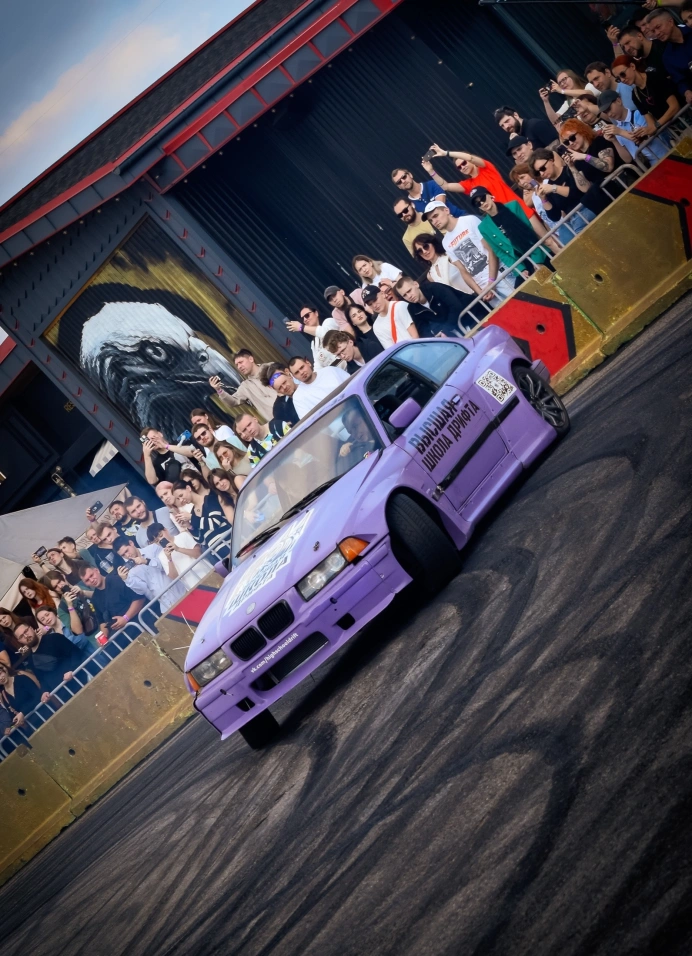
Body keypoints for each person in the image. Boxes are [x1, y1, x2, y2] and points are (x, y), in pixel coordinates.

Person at [422, 145, 547, 241]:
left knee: (547, 240)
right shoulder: (469, 184)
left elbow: (471, 157)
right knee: (533, 247)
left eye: (464, 163)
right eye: (459, 167)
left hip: (520, 208)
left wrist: (446, 153)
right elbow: (446, 186)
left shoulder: (486, 168)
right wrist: (431, 171)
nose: (463, 167)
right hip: (506, 218)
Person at [422, 201, 514, 299]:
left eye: (436, 216)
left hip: (501, 276)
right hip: (484, 288)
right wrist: (480, 293)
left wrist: (491, 281)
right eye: (431, 220)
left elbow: (491, 249)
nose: (434, 221)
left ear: (446, 210)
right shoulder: (445, 242)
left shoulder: (469, 220)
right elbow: (463, 271)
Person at [468, 187, 552, 288]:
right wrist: (520, 269)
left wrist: (537, 261)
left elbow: (530, 233)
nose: (482, 203)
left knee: (553, 282)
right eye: (478, 203)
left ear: (490, 195)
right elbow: (500, 252)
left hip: (537, 253)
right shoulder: (483, 227)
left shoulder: (513, 206)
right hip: (521, 263)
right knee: (523, 293)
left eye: (483, 198)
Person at [528, 148, 606, 228]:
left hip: (591, 208)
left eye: (542, 168)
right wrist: (543, 199)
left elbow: (579, 192)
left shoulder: (569, 169)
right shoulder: (548, 187)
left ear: (551, 160)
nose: (541, 173)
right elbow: (555, 217)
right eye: (538, 172)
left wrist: (554, 188)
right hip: (575, 221)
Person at [14, 620, 88, 698]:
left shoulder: (54, 638)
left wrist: (72, 670)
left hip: (81, 680)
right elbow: (42, 680)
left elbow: (75, 653)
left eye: (26, 631)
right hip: (65, 695)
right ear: (19, 641)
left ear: (31, 628)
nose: (26, 636)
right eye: (21, 636)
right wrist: (45, 691)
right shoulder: (30, 660)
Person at [114, 537, 186, 615]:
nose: (127, 555)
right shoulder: (130, 571)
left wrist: (146, 561)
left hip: (181, 592)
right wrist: (127, 580)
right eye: (123, 555)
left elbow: (166, 565)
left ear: (131, 543)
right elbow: (142, 590)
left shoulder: (152, 549)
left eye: (126, 551)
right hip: (166, 605)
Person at [598, 89, 669, 164]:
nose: (609, 114)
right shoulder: (617, 130)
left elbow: (644, 139)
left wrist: (620, 132)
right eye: (605, 112)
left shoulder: (639, 114)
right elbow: (628, 159)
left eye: (609, 109)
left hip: (666, 156)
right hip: (650, 166)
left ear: (618, 101)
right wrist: (614, 140)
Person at [78, 562, 145, 640]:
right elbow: (102, 622)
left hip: (140, 622)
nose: (92, 580)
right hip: (124, 635)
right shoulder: (95, 598)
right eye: (87, 580)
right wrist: (103, 637)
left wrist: (125, 618)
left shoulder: (116, 580)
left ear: (97, 570)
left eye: (91, 575)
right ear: (85, 584)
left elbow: (139, 599)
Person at [611, 55, 680, 129]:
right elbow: (650, 123)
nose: (622, 80)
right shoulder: (635, 95)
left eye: (622, 74)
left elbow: (675, 106)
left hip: (684, 119)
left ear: (632, 66)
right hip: (673, 130)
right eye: (618, 79)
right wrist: (642, 132)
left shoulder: (654, 77)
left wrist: (656, 125)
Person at [209, 348, 277, 423]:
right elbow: (233, 402)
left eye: (241, 362)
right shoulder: (246, 386)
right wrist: (219, 390)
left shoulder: (271, 367)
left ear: (251, 359)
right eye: (237, 365)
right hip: (277, 420)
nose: (239, 367)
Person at [395, 275, 479, 335]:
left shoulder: (434, 288)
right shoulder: (412, 308)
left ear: (416, 284)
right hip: (459, 328)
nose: (409, 296)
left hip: (475, 314)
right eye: (404, 295)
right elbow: (423, 331)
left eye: (409, 291)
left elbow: (455, 307)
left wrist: (445, 331)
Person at [411, 233, 486, 298]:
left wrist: (480, 292)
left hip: (475, 296)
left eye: (426, 246)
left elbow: (470, 273)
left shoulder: (449, 256)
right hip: (461, 306)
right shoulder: (430, 275)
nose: (424, 251)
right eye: (420, 251)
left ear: (433, 243)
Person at [172, 472, 232, 552]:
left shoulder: (210, 499)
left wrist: (191, 518)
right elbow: (202, 540)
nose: (181, 500)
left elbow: (215, 523)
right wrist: (189, 526)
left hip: (231, 545)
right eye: (178, 499)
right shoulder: (193, 513)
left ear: (188, 488)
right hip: (219, 553)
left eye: (181, 495)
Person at [645, 8, 692, 103]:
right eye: (653, 31)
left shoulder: (691, 29)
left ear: (670, 22)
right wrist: (687, 92)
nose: (657, 33)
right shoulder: (667, 57)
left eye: (658, 27)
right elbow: (680, 81)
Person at [558, 118, 623, 183]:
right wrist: (572, 167)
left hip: (621, 182)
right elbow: (585, 187)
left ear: (581, 131)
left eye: (572, 138)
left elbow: (608, 167)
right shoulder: (577, 159)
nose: (571, 143)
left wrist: (585, 157)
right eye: (566, 142)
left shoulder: (599, 142)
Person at [360, 285, 419, 350]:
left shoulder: (400, 306)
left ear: (382, 294)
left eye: (375, 300)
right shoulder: (376, 326)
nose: (374, 305)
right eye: (370, 304)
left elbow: (415, 336)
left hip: (418, 348)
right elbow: (391, 350)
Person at [284, 306, 343, 370]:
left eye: (307, 315)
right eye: (303, 319)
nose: (305, 320)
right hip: (333, 371)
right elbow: (317, 363)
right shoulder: (314, 343)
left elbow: (326, 333)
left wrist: (301, 327)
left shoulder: (328, 321)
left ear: (316, 313)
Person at [390, 167, 464, 217]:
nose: (403, 181)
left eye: (404, 177)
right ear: (399, 187)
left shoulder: (432, 184)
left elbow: (440, 207)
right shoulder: (409, 204)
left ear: (410, 175)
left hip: (459, 217)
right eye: (399, 182)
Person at [0, 661, 42, 736]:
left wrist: (23, 712)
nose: (0, 678)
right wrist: (10, 727)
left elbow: (38, 695)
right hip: (32, 725)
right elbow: (12, 715)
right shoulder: (4, 695)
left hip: (43, 713)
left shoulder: (22, 679)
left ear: (5, 670)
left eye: (0, 674)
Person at [493, 106, 558, 148]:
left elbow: (557, 145)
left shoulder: (535, 125)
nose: (506, 126)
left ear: (515, 115)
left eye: (507, 121)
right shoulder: (517, 139)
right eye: (502, 126)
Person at [259, 363, 300, 427]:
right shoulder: (282, 409)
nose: (284, 387)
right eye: (280, 387)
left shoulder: (308, 383)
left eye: (284, 382)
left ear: (287, 372)